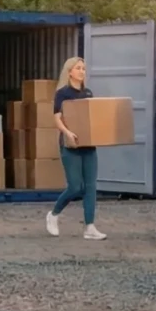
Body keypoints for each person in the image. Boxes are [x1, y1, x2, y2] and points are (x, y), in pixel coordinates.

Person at [45, 56, 107, 240]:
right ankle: (53, 214)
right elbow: (57, 118)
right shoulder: (62, 93)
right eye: (78, 68)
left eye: (84, 68)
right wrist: (67, 132)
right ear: (69, 71)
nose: (82, 71)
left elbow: (91, 117)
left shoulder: (88, 93)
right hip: (70, 144)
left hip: (88, 144)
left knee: (91, 186)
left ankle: (90, 227)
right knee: (75, 187)